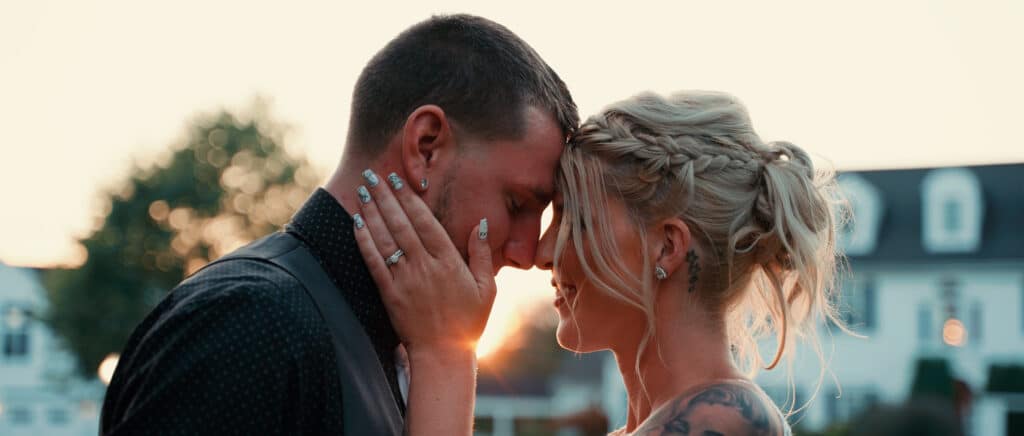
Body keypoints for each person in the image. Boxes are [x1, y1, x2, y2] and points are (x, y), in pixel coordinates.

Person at [99, 14, 577, 435]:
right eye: (516, 204)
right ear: (426, 145)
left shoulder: (388, 343)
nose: (526, 252)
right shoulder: (252, 322)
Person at [355, 91, 846, 435]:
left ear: (666, 248)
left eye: (573, 221)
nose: (543, 254)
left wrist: (446, 350)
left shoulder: (727, 418)